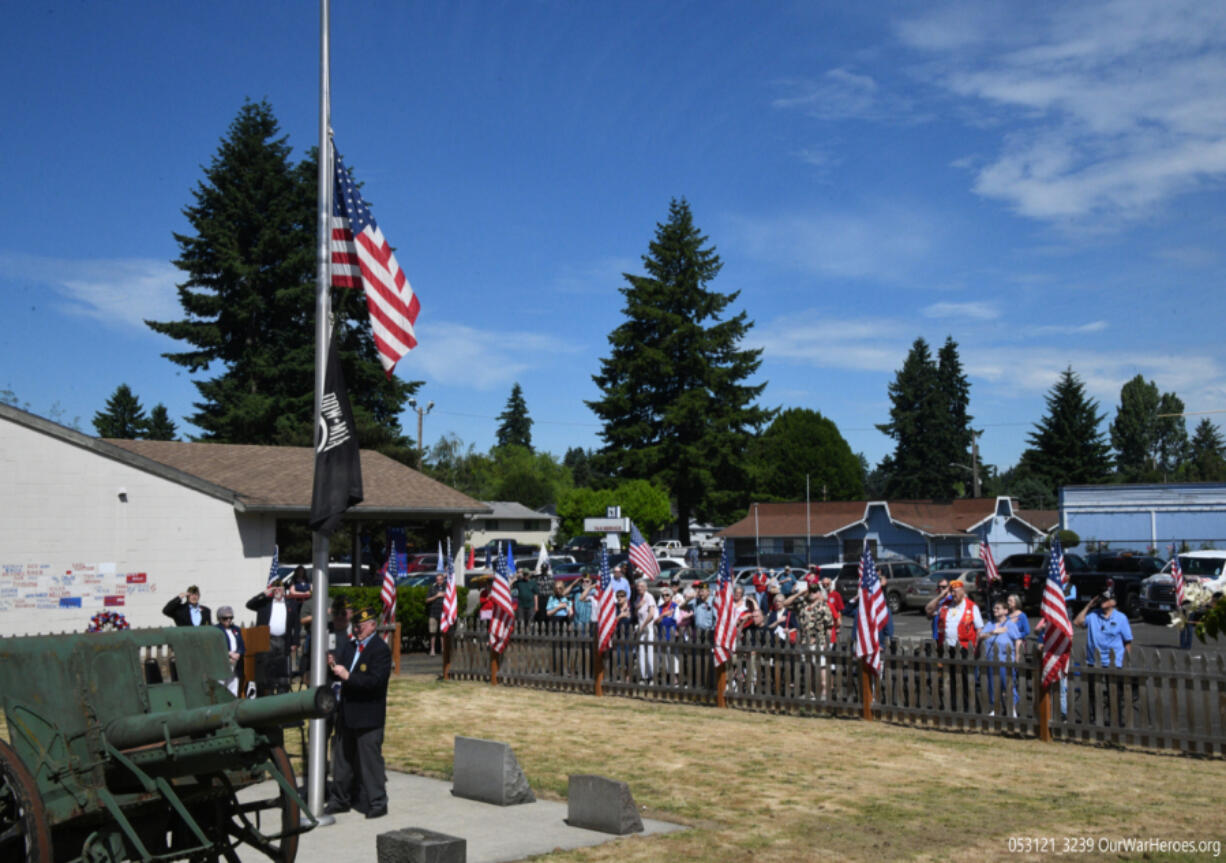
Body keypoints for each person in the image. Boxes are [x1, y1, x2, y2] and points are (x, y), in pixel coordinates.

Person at [325, 607, 392, 819]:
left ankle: (377, 803)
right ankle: (340, 799)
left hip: (368, 715)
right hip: (346, 712)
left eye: (361, 626)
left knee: (370, 762)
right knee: (342, 761)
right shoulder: (350, 646)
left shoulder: (379, 649)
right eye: (355, 626)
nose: (357, 630)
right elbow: (340, 672)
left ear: (372, 625)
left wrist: (348, 676)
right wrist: (332, 666)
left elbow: (375, 682)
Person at [1074, 588, 1133, 725]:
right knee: (1093, 693)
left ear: (1113, 602)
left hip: (1114, 662)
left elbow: (1128, 641)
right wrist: (1089, 605)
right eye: (1101, 599)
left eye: (1105, 600)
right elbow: (1077, 622)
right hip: (1094, 661)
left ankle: (1115, 721)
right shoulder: (1094, 615)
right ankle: (1096, 719)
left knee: (1115, 695)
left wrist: (1126, 660)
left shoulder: (1121, 618)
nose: (1102, 602)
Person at [246, 582, 302, 695]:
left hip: (283, 640)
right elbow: (249, 604)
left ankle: (282, 696)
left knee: (281, 671)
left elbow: (297, 624)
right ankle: (267, 695)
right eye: (275, 589)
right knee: (266, 670)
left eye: (279, 589)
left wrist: (295, 642)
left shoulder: (291, 604)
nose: (277, 591)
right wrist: (264, 593)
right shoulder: (264, 603)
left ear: (283, 590)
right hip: (267, 640)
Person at [979, 601, 1022, 716]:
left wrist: (1017, 656)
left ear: (1005, 611)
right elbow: (982, 636)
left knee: (1007, 684)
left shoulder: (1010, 625)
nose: (995, 611)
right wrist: (993, 632)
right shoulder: (990, 624)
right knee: (993, 685)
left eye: (998, 608)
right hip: (991, 659)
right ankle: (995, 708)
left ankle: (1012, 708)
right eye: (994, 609)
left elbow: (1018, 640)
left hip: (1005, 659)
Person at [796, 584, 835, 699]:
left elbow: (829, 626)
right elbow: (786, 603)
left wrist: (827, 643)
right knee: (809, 667)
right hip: (805, 641)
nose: (812, 593)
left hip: (819, 642)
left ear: (819, 593)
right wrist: (800, 593)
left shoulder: (824, 607)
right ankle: (810, 692)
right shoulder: (804, 606)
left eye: (815, 591)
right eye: (810, 591)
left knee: (822, 666)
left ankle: (824, 692)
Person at [215, 606, 245, 696]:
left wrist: (238, 653)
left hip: (235, 663)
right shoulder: (216, 630)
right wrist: (228, 654)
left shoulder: (236, 629)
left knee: (233, 685)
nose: (228, 620)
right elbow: (216, 647)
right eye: (225, 618)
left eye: (231, 617)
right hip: (223, 663)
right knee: (221, 685)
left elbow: (242, 645)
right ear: (219, 619)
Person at [634, 578, 658, 683]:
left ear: (646, 587)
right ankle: (643, 676)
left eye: (642, 586)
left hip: (648, 628)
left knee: (650, 653)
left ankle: (651, 676)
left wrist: (643, 626)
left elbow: (651, 614)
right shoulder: (638, 598)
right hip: (640, 628)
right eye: (638, 587)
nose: (640, 588)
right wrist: (637, 607)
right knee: (641, 653)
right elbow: (636, 613)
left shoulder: (649, 597)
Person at [425, 572, 447, 656]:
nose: (439, 581)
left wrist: (445, 595)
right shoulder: (432, 588)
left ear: (443, 580)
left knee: (442, 632)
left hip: (443, 613)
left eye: (440, 579)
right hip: (433, 613)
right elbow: (427, 600)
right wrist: (436, 596)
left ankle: (443, 649)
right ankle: (432, 649)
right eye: (437, 579)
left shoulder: (446, 588)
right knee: (432, 632)